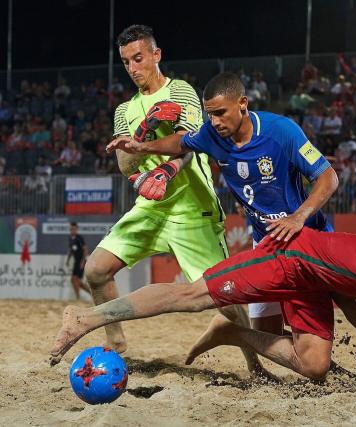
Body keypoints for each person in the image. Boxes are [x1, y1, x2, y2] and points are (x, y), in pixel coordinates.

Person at [107, 71, 356, 385]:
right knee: (266, 334)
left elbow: (328, 177)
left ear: (243, 103)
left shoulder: (281, 131)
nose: (215, 122)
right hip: (268, 247)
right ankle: (243, 336)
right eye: (210, 115)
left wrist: (298, 217)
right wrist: (141, 147)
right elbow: (181, 142)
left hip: (314, 240)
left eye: (221, 113)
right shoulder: (211, 134)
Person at [51, 228, 356, 415]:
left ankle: (232, 331)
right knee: (193, 295)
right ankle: (87, 318)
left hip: (322, 280)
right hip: (292, 258)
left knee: (317, 364)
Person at [86, 25, 262, 375]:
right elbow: (125, 163)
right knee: (95, 271)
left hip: (192, 208)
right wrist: (144, 131)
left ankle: (254, 365)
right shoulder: (124, 111)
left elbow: (191, 141)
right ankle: (116, 342)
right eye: (126, 62)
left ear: (156, 55)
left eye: (138, 58)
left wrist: (166, 171)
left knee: (226, 297)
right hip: (151, 207)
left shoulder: (180, 91)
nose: (133, 67)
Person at [65, 222, 90, 300]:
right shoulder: (70, 238)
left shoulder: (79, 238)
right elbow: (71, 250)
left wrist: (83, 261)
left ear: (76, 229)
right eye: (71, 229)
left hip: (81, 261)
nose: (72, 230)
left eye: (74, 229)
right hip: (76, 261)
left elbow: (85, 249)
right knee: (75, 280)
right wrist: (68, 260)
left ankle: (78, 297)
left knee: (75, 279)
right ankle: (90, 292)